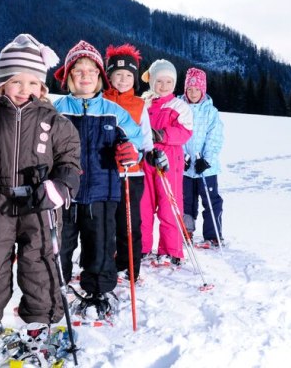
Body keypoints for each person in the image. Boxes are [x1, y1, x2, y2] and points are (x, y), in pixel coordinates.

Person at [0, 34, 81, 336]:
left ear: (43, 87)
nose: (25, 90)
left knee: (40, 262)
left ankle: (40, 322)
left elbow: (70, 165)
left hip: (40, 206)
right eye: (16, 82)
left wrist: (58, 188)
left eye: (34, 83)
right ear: (1, 84)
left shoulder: (57, 123)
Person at [52, 40, 144, 319]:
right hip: (62, 193)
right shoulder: (56, 109)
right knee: (59, 244)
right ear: (68, 77)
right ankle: (54, 289)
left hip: (103, 191)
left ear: (100, 78)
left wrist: (130, 151)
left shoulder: (114, 111)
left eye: (91, 70)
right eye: (77, 70)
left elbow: (136, 140)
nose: (84, 75)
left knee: (101, 246)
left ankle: (99, 292)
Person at [102, 43, 153, 282]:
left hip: (130, 174)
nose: (122, 80)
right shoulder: (99, 99)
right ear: (109, 75)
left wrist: (141, 154)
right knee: (102, 223)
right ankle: (101, 264)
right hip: (102, 172)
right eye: (117, 75)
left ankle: (130, 267)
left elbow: (146, 139)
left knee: (129, 224)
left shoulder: (140, 105)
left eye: (128, 76)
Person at [139, 59, 193, 266]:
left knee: (169, 205)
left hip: (168, 161)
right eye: (159, 81)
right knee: (143, 206)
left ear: (174, 83)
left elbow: (185, 131)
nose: (163, 86)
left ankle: (170, 249)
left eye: (168, 82)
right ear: (151, 82)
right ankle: (142, 246)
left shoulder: (179, 106)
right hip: (145, 161)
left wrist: (162, 134)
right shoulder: (144, 104)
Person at [180, 68, 225, 248]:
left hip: (207, 168)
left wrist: (206, 160)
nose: (193, 93)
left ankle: (213, 234)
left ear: (203, 90)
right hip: (185, 168)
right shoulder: (179, 107)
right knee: (186, 201)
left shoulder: (210, 112)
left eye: (196, 90)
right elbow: (178, 134)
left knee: (211, 200)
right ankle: (187, 230)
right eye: (189, 90)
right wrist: (182, 156)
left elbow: (215, 137)